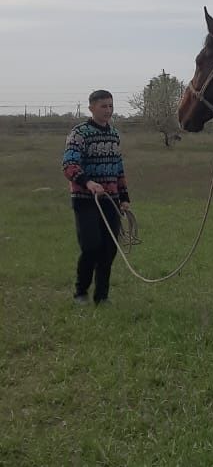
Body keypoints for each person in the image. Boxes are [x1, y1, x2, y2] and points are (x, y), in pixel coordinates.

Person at [62, 90, 131, 306]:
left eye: (111, 106)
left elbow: (118, 167)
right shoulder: (79, 133)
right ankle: (80, 292)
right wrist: (88, 182)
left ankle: (102, 296)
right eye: (103, 106)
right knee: (91, 246)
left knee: (109, 250)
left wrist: (124, 197)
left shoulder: (114, 134)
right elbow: (69, 165)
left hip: (110, 199)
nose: (108, 110)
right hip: (84, 199)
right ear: (91, 108)